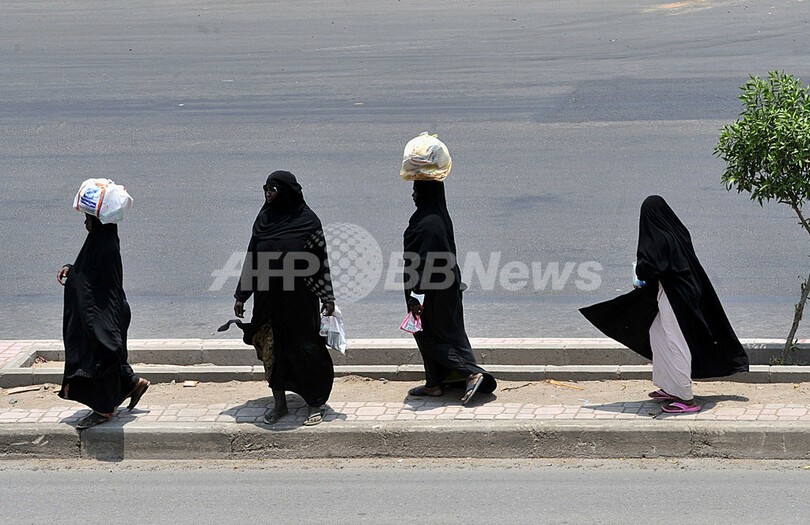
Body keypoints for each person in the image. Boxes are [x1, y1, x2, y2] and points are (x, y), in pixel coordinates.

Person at [580, 195, 749, 413]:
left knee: (675, 342)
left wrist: (639, 275)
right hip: (682, 291)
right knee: (657, 334)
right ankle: (670, 386)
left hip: (675, 296)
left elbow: (649, 267)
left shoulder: (658, 237)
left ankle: (686, 398)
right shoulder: (676, 231)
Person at [230, 170, 336, 426]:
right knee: (272, 351)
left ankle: (314, 402)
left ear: (288, 192)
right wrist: (242, 295)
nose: (268, 194)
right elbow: (252, 259)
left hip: (300, 300)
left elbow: (320, 261)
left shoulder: (308, 221)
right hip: (268, 300)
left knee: (307, 349)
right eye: (266, 188)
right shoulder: (263, 220)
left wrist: (327, 297)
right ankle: (279, 403)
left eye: (273, 190)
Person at [403, 180, 497, 404]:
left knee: (427, 336)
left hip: (431, 292)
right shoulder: (437, 215)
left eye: (416, 191)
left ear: (426, 193)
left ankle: (470, 372)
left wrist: (416, 296)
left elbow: (424, 262)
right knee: (444, 333)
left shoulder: (427, 223)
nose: (413, 195)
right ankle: (433, 384)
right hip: (444, 288)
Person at [57, 213, 149, 429]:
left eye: (88, 219)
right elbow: (87, 270)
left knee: (100, 355)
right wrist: (72, 269)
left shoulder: (104, 246)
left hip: (102, 315)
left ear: (99, 222)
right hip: (106, 313)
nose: (85, 223)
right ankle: (132, 384)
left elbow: (95, 285)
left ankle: (103, 409)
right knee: (106, 354)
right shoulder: (101, 241)